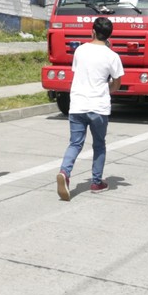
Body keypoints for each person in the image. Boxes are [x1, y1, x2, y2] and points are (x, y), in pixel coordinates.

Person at [59, 15, 122, 200]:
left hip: (78, 105)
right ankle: (96, 181)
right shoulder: (113, 56)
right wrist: (106, 90)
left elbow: (77, 72)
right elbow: (117, 83)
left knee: (75, 143)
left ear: (92, 31)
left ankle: (64, 172)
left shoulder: (80, 51)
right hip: (99, 107)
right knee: (99, 144)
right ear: (109, 35)